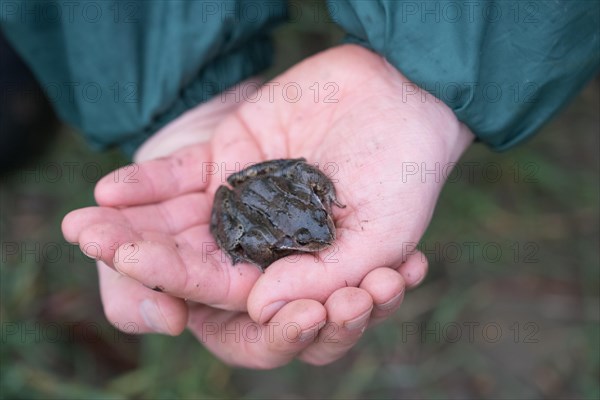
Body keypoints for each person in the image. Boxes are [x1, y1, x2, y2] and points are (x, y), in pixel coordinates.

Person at [3, 1, 597, 368]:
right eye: (318, 232)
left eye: (319, 230)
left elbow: (302, 179)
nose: (324, 230)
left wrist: (412, 89)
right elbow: (265, 214)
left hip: (267, 192)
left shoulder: (314, 213)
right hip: (248, 208)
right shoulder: (286, 227)